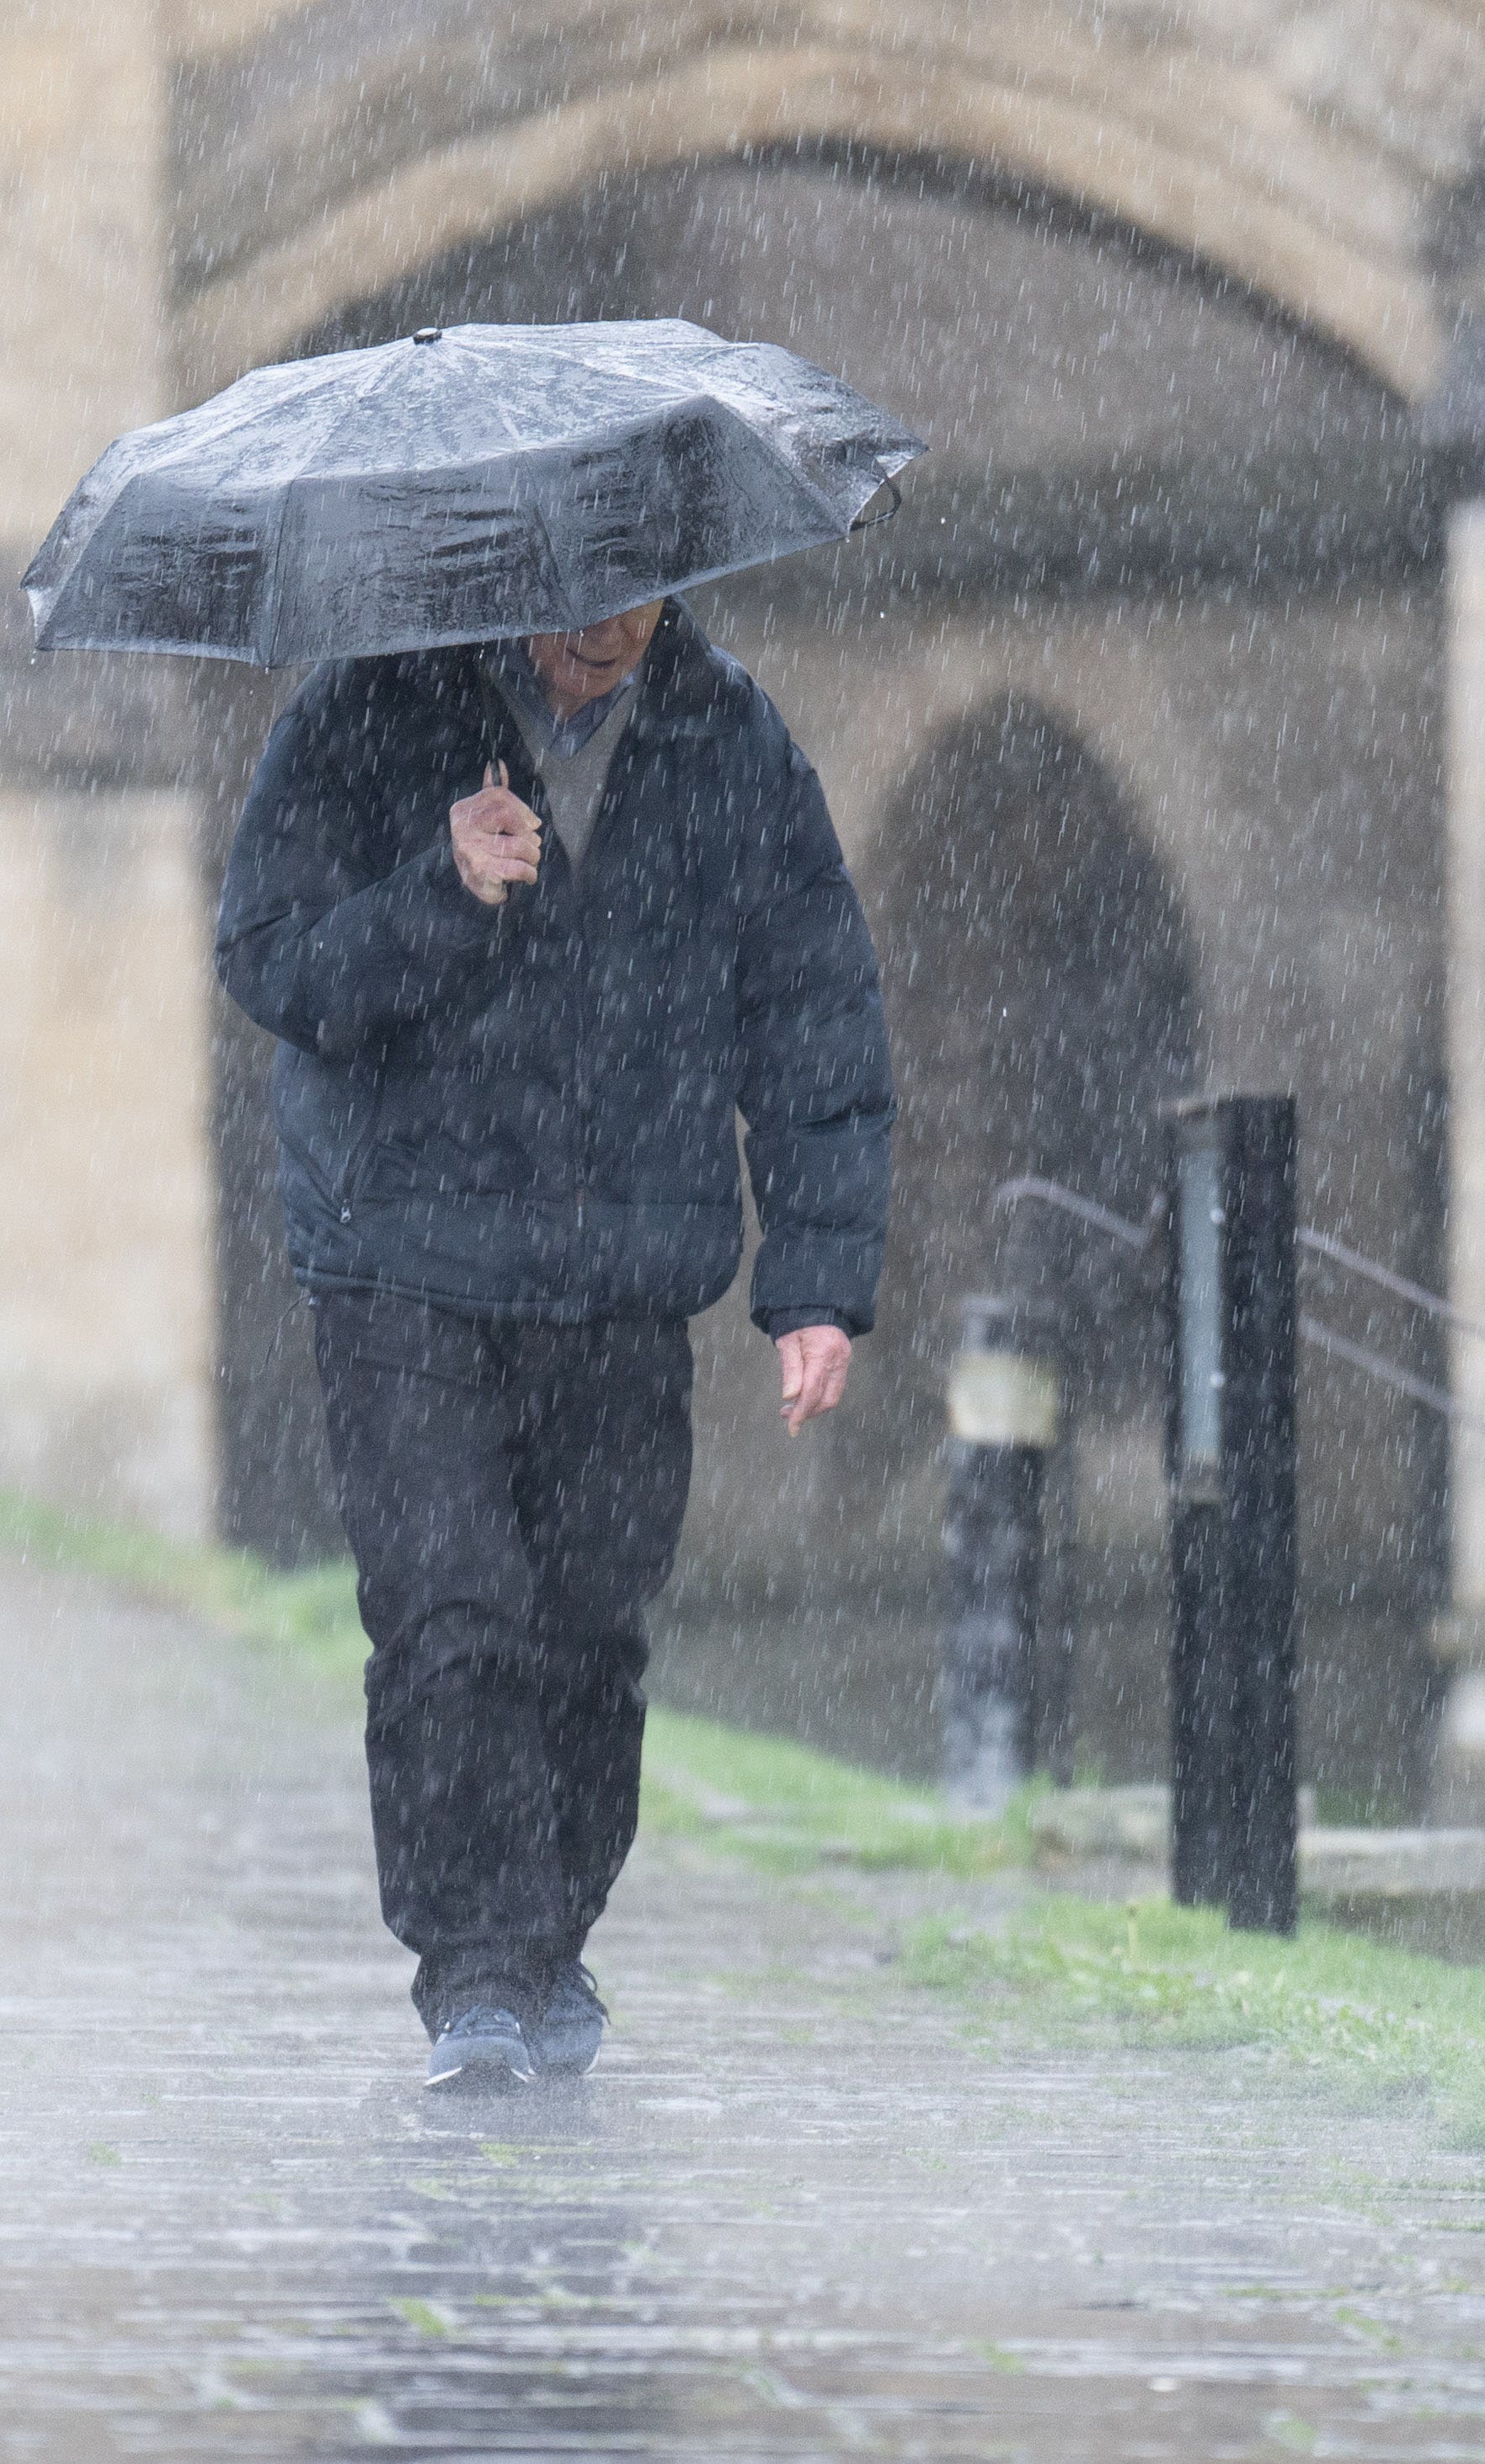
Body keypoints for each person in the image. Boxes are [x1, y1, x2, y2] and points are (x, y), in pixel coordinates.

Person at [218, 596, 892, 2092]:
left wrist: (820, 1278)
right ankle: (473, 1966)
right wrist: (440, 891)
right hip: (403, 1248)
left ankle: (549, 1936)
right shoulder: (365, 713)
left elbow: (815, 1013)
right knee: (451, 1614)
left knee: (592, 1631)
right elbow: (271, 962)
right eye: (571, 609)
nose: (600, 637)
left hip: (621, 1264)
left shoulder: (732, 740)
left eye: (631, 606)